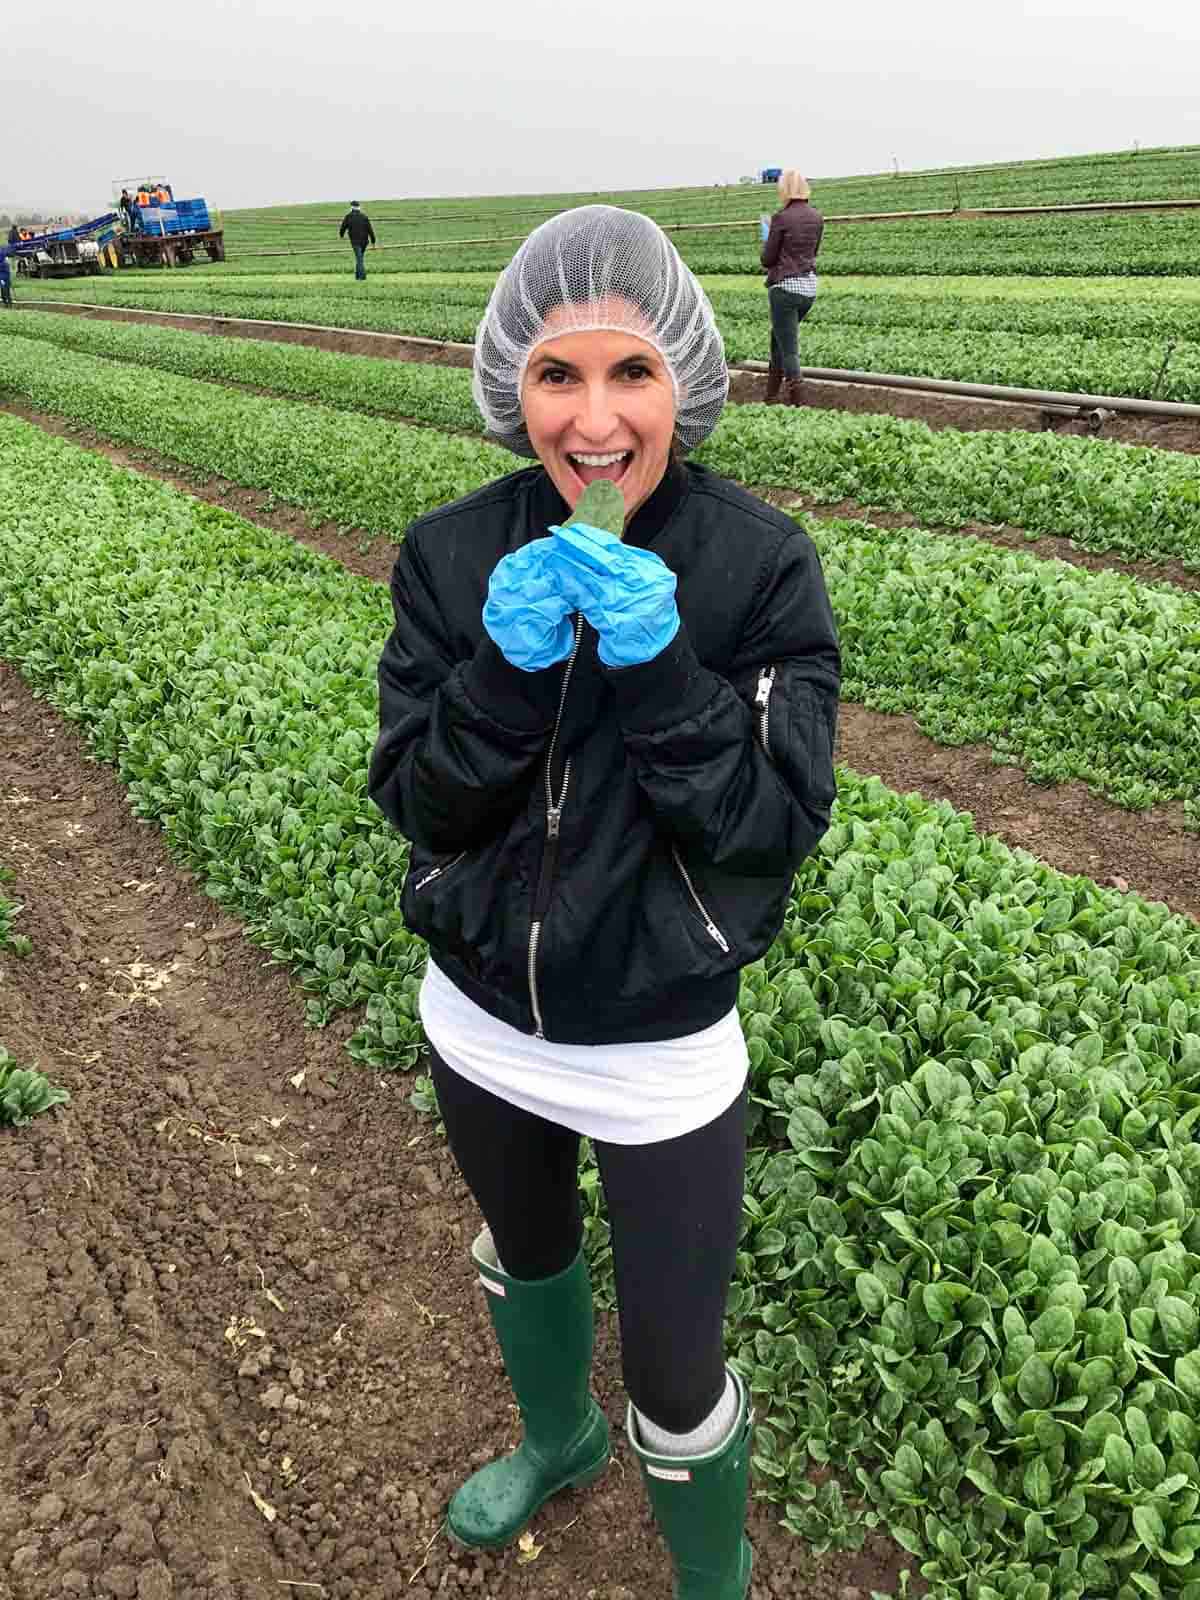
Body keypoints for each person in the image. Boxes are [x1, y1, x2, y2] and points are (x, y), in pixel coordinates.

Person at [368, 205, 840, 1599]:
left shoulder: (759, 567)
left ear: (684, 383)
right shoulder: (454, 556)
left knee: (680, 1366)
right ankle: (560, 1438)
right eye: (556, 375)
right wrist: (508, 672)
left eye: (630, 371)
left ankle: (710, 1575)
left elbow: (767, 828)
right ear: (510, 388)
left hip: (656, 1040)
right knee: (528, 1251)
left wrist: (660, 670)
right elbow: (420, 800)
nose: (592, 417)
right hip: (483, 1021)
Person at [760, 170, 825, 406]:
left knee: (789, 349)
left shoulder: (781, 218)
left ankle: (799, 402)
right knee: (778, 340)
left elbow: (767, 259)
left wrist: (767, 239)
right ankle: (769, 398)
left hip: (785, 289)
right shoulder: (817, 217)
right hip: (808, 289)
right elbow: (813, 252)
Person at [338, 200, 376, 280]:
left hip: (355, 242)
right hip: (364, 242)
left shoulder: (348, 216)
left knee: (359, 259)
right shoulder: (364, 216)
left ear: (351, 207)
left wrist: (341, 235)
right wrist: (373, 241)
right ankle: (357, 276)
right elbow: (370, 230)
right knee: (359, 258)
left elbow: (343, 228)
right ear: (359, 207)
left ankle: (362, 277)